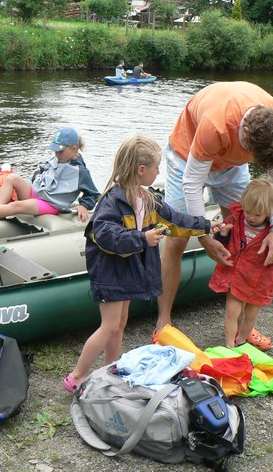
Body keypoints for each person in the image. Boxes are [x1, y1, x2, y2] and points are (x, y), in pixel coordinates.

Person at [62, 135, 225, 392]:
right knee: (109, 326)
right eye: (156, 167)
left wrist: (206, 224)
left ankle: (110, 368)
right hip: (110, 272)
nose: (159, 171)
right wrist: (142, 237)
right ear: (141, 170)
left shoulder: (148, 199)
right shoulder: (112, 201)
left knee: (120, 323)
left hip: (128, 271)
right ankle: (77, 376)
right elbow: (105, 234)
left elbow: (176, 219)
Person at [155, 81, 273, 350]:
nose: (256, 162)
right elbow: (192, 183)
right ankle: (164, 321)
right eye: (254, 156)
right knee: (178, 237)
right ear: (245, 133)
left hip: (232, 164)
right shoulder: (216, 124)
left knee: (246, 228)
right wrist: (205, 236)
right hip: (188, 157)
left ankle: (243, 327)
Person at [208, 179, 273, 349]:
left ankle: (242, 340)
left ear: (269, 212)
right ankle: (230, 346)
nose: (251, 218)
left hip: (260, 280)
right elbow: (224, 242)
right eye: (248, 212)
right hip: (237, 275)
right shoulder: (236, 218)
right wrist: (222, 235)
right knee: (232, 312)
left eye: (258, 214)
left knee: (251, 316)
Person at [0, 127, 100, 223]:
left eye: (60, 151)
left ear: (73, 148)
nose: (57, 154)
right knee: (12, 178)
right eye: (55, 150)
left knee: (16, 205)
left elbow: (93, 193)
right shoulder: (58, 158)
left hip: (50, 203)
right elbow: (42, 169)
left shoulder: (81, 171)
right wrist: (36, 175)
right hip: (38, 192)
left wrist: (84, 205)